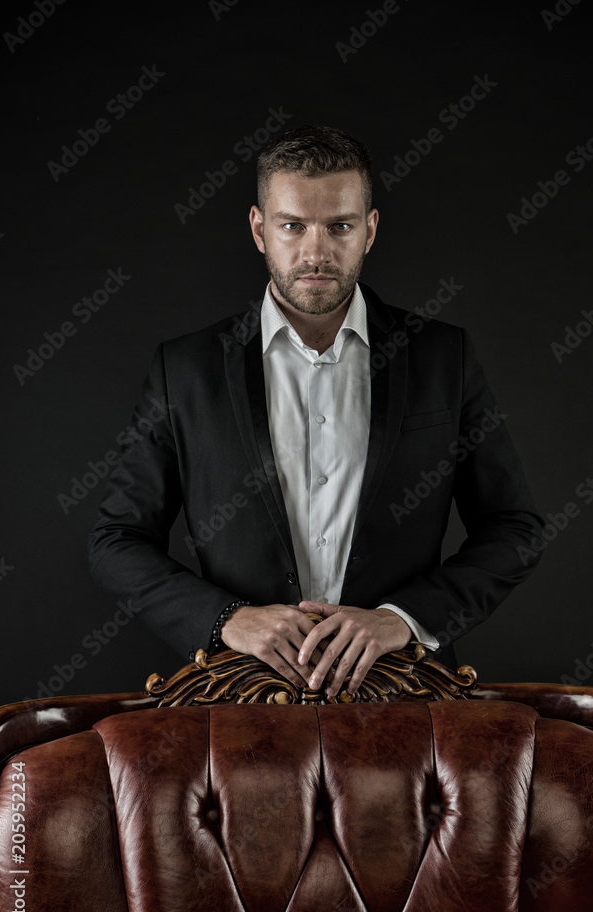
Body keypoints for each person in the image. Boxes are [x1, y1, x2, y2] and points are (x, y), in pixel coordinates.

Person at [88, 124, 544, 698]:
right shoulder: (185, 369)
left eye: (340, 226)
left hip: (407, 695)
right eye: (292, 226)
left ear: (370, 230)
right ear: (259, 229)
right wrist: (226, 619)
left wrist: (402, 618)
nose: (316, 252)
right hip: (237, 699)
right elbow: (116, 540)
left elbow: (515, 529)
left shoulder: (442, 357)